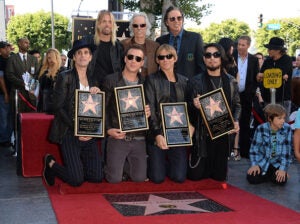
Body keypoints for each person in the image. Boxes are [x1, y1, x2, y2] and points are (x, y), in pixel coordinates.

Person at [43, 39, 103, 187]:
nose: (83, 56)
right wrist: (77, 127)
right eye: (79, 53)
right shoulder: (65, 77)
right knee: (76, 180)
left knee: (96, 177)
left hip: (89, 133)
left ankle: (77, 167)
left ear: (90, 57)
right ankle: (51, 164)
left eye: (86, 53)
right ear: (74, 57)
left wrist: (98, 93)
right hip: (69, 131)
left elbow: (97, 108)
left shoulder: (94, 79)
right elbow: (57, 107)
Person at [187, 43, 240, 181]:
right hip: (202, 135)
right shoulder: (195, 81)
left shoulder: (231, 81)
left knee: (219, 178)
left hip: (223, 134)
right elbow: (187, 109)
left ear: (221, 57)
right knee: (196, 176)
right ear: (204, 59)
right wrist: (194, 105)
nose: (212, 58)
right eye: (208, 55)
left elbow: (238, 105)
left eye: (216, 54)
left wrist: (235, 120)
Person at [102, 45, 151, 183]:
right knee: (114, 180)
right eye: (130, 57)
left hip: (138, 137)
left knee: (140, 178)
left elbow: (151, 105)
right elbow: (103, 108)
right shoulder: (110, 80)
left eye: (138, 58)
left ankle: (123, 165)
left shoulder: (146, 82)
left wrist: (149, 111)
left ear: (142, 63)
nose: (133, 61)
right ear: (125, 59)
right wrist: (108, 130)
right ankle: (111, 166)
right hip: (118, 136)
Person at [144, 44, 191, 183]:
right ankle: (149, 160)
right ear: (157, 60)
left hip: (178, 134)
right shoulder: (151, 80)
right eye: (161, 57)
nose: (165, 60)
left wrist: (191, 125)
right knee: (157, 178)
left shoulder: (185, 81)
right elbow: (150, 108)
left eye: (169, 56)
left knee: (179, 177)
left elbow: (189, 108)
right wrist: (157, 134)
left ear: (175, 58)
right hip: (157, 132)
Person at [247, 104, 292, 185]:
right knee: (252, 178)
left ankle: (270, 175)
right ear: (270, 119)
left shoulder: (287, 129)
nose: (283, 121)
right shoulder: (261, 128)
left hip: (277, 163)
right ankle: (268, 175)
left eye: (284, 118)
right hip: (263, 161)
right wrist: (255, 165)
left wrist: (282, 169)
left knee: (281, 181)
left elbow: (286, 153)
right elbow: (254, 149)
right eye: (279, 118)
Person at [156, 6, 205, 79]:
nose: (176, 21)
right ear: (166, 22)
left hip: (190, 86)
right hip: (166, 85)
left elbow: (201, 66)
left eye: (179, 18)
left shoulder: (195, 38)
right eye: (172, 19)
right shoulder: (160, 41)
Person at [233, 35, 259, 158]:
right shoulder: (231, 57)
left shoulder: (254, 60)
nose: (240, 47)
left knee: (244, 122)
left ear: (248, 45)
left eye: (243, 45)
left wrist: (252, 92)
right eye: (238, 44)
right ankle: (231, 149)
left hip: (247, 96)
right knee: (232, 121)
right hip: (233, 95)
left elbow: (256, 78)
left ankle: (244, 150)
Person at [257, 37, 293, 120]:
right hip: (268, 98)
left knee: (282, 124)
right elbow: (259, 75)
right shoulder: (267, 61)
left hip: (282, 98)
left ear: (278, 50)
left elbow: (280, 73)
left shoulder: (287, 59)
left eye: (270, 49)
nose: (268, 51)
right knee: (269, 123)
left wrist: (265, 75)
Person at [89, 10, 124, 88]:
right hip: (93, 88)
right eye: (104, 21)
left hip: (112, 89)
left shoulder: (118, 46)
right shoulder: (89, 42)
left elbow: (122, 70)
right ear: (98, 24)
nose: (107, 24)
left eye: (110, 21)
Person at [218, 37, 240, 160]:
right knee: (232, 124)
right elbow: (237, 79)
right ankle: (231, 150)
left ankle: (225, 152)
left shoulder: (221, 61)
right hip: (230, 96)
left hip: (220, 97)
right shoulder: (231, 62)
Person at [6, 37, 39, 113]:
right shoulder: (12, 59)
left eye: (28, 43)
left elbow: (37, 73)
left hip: (31, 95)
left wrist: (31, 84)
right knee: (18, 120)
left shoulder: (33, 59)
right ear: (19, 44)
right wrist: (22, 83)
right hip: (18, 94)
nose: (28, 45)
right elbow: (9, 75)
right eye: (26, 43)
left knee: (31, 119)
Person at [121, 12, 159, 77]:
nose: (139, 28)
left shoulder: (155, 46)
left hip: (150, 84)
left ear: (147, 27)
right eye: (135, 26)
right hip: (129, 84)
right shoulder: (123, 45)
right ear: (132, 27)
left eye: (142, 25)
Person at [37, 48, 65, 113]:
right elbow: (39, 84)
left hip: (54, 103)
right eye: (48, 58)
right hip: (42, 102)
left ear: (57, 57)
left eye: (52, 58)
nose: (50, 60)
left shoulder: (62, 70)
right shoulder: (43, 69)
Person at [0, 41, 13, 147]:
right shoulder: (0, 61)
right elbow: (1, 78)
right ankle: (4, 140)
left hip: (11, 93)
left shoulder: (9, 60)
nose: (9, 49)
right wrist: (5, 93)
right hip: (3, 94)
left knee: (9, 117)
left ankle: (7, 138)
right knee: (4, 117)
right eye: (6, 47)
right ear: (1, 49)